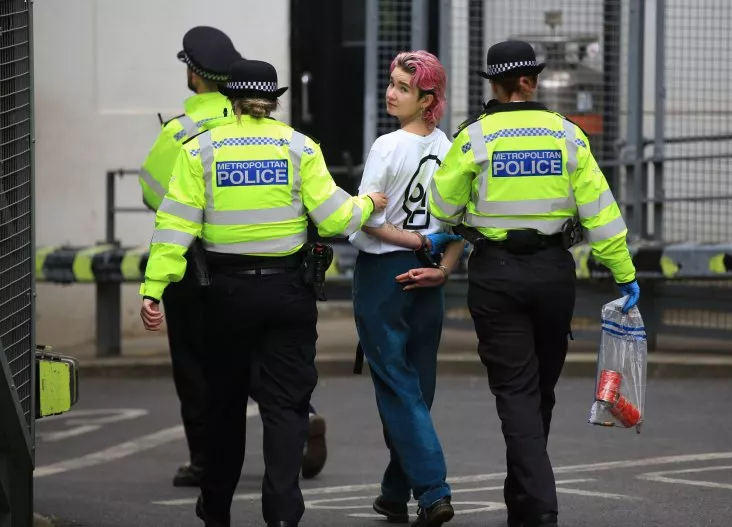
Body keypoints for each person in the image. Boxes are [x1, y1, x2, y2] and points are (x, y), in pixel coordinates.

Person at [139, 59, 387, 527]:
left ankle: (215, 509)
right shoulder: (298, 147)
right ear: (274, 100)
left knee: (224, 408)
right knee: (286, 409)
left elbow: (174, 225)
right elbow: (335, 218)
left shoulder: (200, 150)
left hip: (223, 297)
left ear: (230, 99)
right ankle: (281, 514)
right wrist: (369, 204)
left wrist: (155, 288)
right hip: (286, 294)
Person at [427, 40, 641, 527]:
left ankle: (536, 505)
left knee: (517, 394)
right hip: (552, 274)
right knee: (539, 391)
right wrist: (624, 274)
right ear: (532, 80)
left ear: (496, 85)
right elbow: (601, 214)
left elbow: (441, 205)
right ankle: (526, 501)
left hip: (496, 275)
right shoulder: (567, 135)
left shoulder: (474, 137)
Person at [349, 50, 464, 527]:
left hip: (384, 274)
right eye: (392, 83)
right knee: (420, 385)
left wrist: (416, 241)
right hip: (431, 270)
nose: (391, 93)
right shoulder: (452, 146)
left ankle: (434, 491)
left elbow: (368, 219)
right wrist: (443, 266)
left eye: (402, 87)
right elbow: (460, 221)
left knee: (398, 387)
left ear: (427, 98)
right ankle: (395, 492)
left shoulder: (387, 145)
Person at [138, 25, 241, 488]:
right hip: (249, 261)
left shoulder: (179, 133)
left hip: (192, 266)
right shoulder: (251, 125)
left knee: (194, 365)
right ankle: (301, 422)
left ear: (194, 76)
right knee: (255, 351)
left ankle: (205, 460)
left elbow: (152, 193)